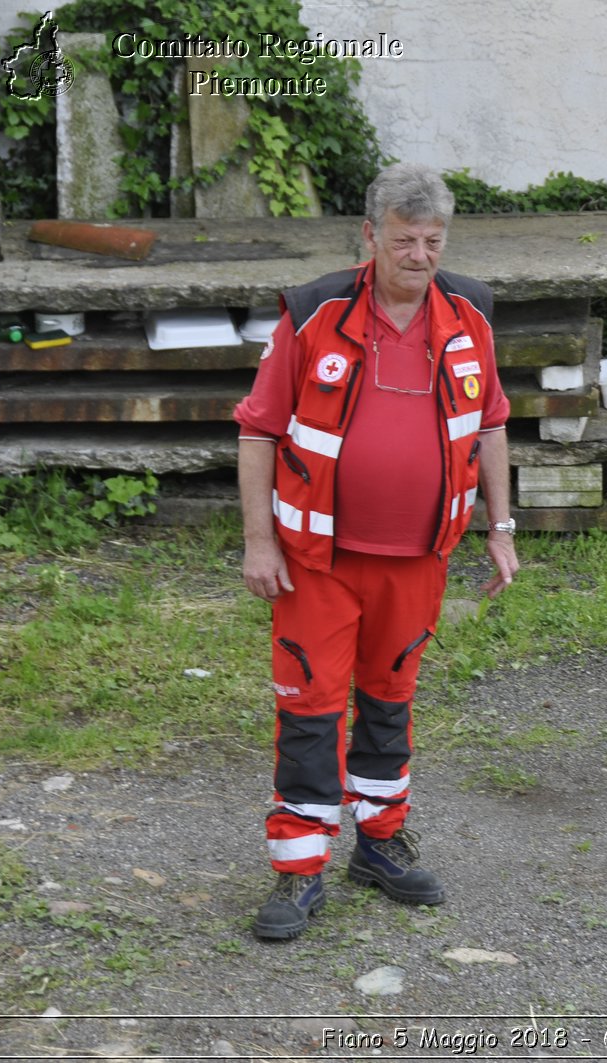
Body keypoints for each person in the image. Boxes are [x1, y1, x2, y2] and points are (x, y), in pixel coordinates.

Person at [234, 163, 518, 939]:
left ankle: (380, 844)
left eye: (432, 240)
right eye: (403, 240)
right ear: (370, 236)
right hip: (315, 563)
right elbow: (258, 431)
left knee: (389, 706)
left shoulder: (472, 317)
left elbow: (491, 424)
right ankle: (298, 870)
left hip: (417, 560)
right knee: (310, 709)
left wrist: (500, 526)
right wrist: (259, 541)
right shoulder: (313, 312)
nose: (419, 255)